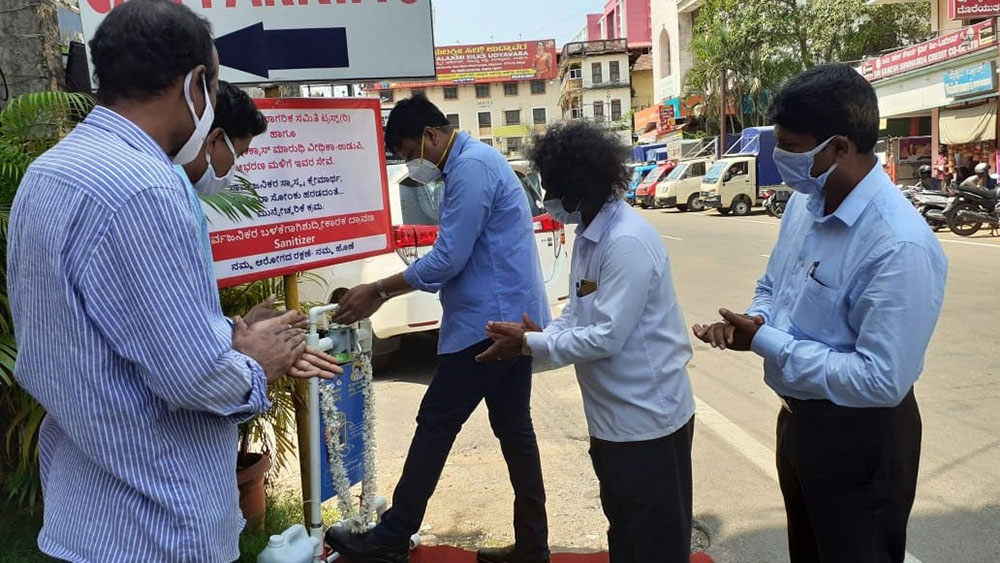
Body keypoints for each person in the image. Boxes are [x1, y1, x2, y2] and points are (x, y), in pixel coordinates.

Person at [7, 1, 338, 561]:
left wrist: (227, 333)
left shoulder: (49, 172)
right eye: (214, 86)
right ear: (194, 86)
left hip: (84, 513)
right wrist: (260, 359)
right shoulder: (147, 187)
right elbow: (198, 381)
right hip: (159, 522)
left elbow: (106, 333)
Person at [692, 63, 947, 563]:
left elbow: (880, 380)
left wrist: (767, 342)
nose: (781, 158)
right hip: (800, 424)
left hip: (863, 442)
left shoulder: (898, 244)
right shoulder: (804, 205)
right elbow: (773, 287)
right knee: (807, 552)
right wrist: (757, 322)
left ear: (840, 148)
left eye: (792, 146)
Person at [326, 94, 552, 563]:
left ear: (431, 135)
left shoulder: (470, 168)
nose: (414, 165)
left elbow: (448, 258)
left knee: (435, 424)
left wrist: (379, 290)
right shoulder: (473, 163)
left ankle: (391, 538)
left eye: (411, 154)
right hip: (508, 319)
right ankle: (533, 544)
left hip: (486, 326)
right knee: (514, 429)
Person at [478, 120, 696, 563]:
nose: (549, 200)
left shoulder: (627, 242)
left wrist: (529, 345)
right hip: (611, 422)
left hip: (649, 423)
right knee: (625, 533)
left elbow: (606, 337)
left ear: (581, 186)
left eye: (554, 188)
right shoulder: (589, 237)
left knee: (657, 544)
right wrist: (539, 336)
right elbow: (576, 315)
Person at [179, 80, 268, 264]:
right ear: (215, 140)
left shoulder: (181, 189)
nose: (233, 168)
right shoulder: (169, 195)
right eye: (238, 154)